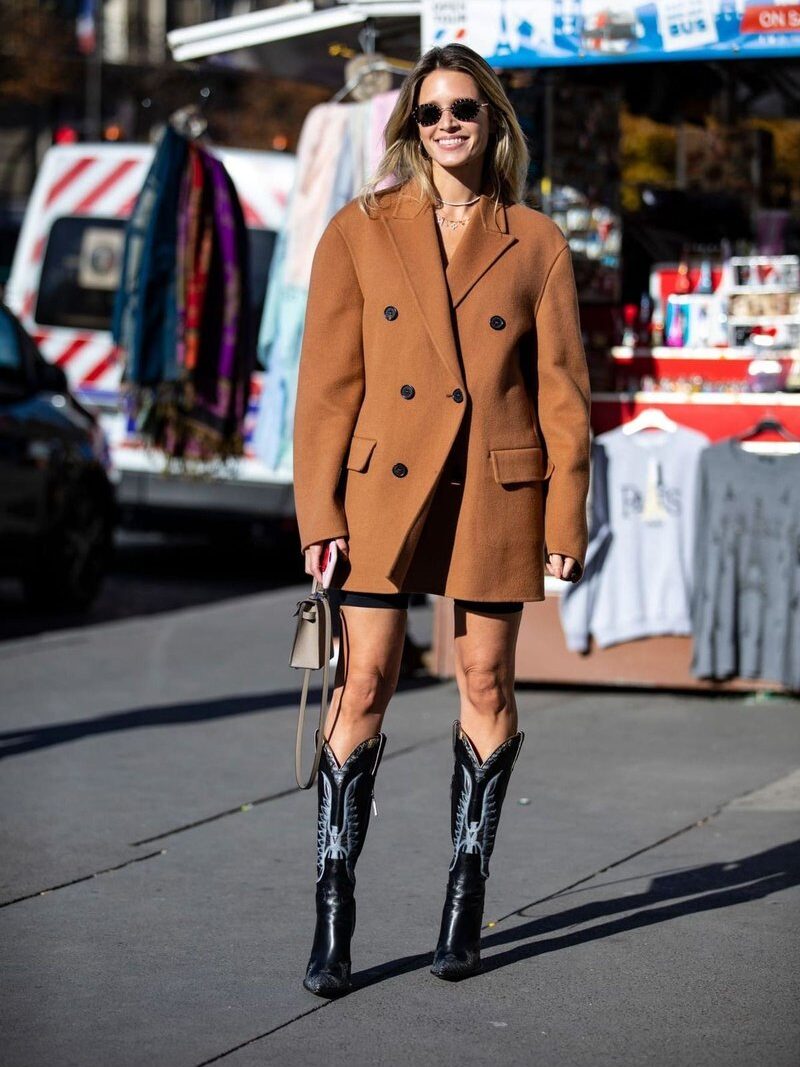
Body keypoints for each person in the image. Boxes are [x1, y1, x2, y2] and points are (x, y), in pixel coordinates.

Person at [293, 43, 591, 996]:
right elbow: (327, 390)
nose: (449, 123)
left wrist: (565, 520)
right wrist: (319, 511)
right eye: (430, 112)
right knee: (367, 681)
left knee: (483, 679)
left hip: (493, 490)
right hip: (386, 486)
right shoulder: (360, 228)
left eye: (465, 107)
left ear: (494, 120)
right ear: (411, 126)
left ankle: (466, 894)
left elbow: (564, 397)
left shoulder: (535, 240)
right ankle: (334, 908)